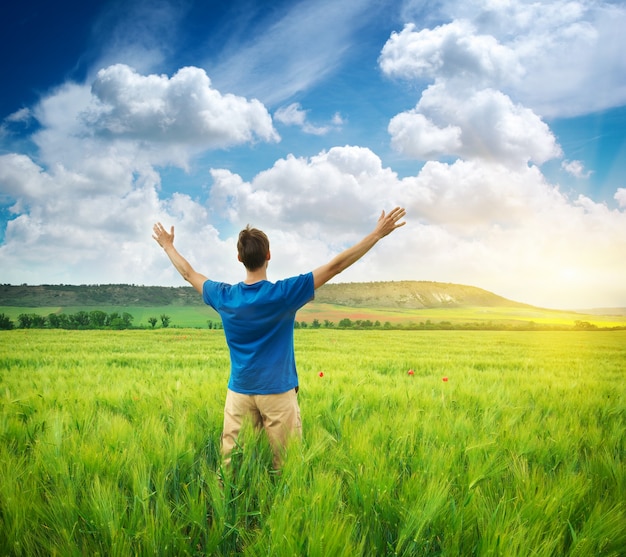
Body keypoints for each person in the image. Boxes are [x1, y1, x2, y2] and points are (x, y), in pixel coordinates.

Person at [152, 207, 406, 469]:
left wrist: (168, 246)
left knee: (231, 468)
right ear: (268, 255)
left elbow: (188, 274)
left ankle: (226, 508)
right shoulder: (284, 294)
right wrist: (376, 234)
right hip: (278, 393)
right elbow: (335, 267)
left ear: (239, 258)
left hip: (239, 392)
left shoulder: (224, 296)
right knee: (286, 467)